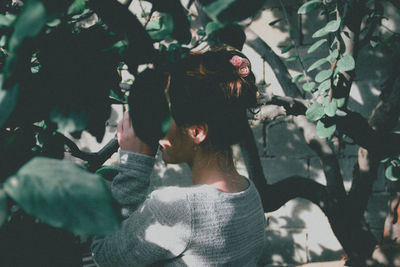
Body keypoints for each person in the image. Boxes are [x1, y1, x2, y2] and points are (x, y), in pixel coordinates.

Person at [91, 47, 266, 266]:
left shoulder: (177, 209)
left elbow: (105, 257)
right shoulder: (250, 194)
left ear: (196, 132)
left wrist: (133, 167)